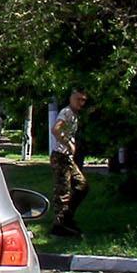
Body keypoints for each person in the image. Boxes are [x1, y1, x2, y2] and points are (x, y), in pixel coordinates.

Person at [48, 87, 89, 238]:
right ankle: (59, 226)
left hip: (67, 158)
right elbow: (55, 129)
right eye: (78, 99)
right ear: (71, 98)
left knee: (82, 185)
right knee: (63, 191)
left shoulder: (74, 114)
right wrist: (67, 143)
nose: (80, 103)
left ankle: (67, 218)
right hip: (61, 157)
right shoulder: (66, 112)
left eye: (83, 100)